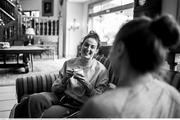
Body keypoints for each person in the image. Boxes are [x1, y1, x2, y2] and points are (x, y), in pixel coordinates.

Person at [79, 14, 180, 118]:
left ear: (119, 49)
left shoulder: (98, 108)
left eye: (112, 46)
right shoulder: (174, 97)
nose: (109, 54)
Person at [14, 31, 109, 118]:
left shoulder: (101, 71)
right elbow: (54, 88)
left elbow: (99, 99)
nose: (88, 49)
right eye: (86, 45)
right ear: (81, 46)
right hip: (60, 96)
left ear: (96, 50)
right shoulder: (69, 63)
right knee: (34, 99)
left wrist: (86, 84)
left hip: (79, 104)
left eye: (92, 47)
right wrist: (64, 80)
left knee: (46, 115)